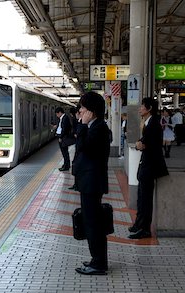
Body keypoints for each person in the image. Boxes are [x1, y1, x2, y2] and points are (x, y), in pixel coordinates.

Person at [73, 92, 111, 276]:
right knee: (92, 222)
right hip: (89, 181)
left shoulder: (98, 128)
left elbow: (83, 147)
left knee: (92, 223)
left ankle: (98, 264)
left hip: (92, 182)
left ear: (92, 111)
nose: (80, 111)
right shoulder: (95, 126)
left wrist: (82, 126)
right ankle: (97, 259)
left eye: (83, 108)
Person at [128, 98, 168, 240]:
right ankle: (139, 224)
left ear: (149, 108)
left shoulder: (153, 124)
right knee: (141, 197)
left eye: (142, 106)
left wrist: (140, 143)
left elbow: (143, 145)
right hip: (146, 164)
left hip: (150, 165)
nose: (140, 109)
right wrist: (140, 143)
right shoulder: (148, 122)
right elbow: (141, 143)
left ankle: (145, 229)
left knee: (145, 199)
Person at [55, 107, 72, 171]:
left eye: (57, 114)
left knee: (65, 152)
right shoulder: (63, 118)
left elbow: (64, 129)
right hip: (62, 137)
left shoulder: (65, 118)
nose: (57, 116)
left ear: (59, 112)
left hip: (63, 138)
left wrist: (61, 137)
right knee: (64, 152)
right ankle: (65, 164)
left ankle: (66, 166)